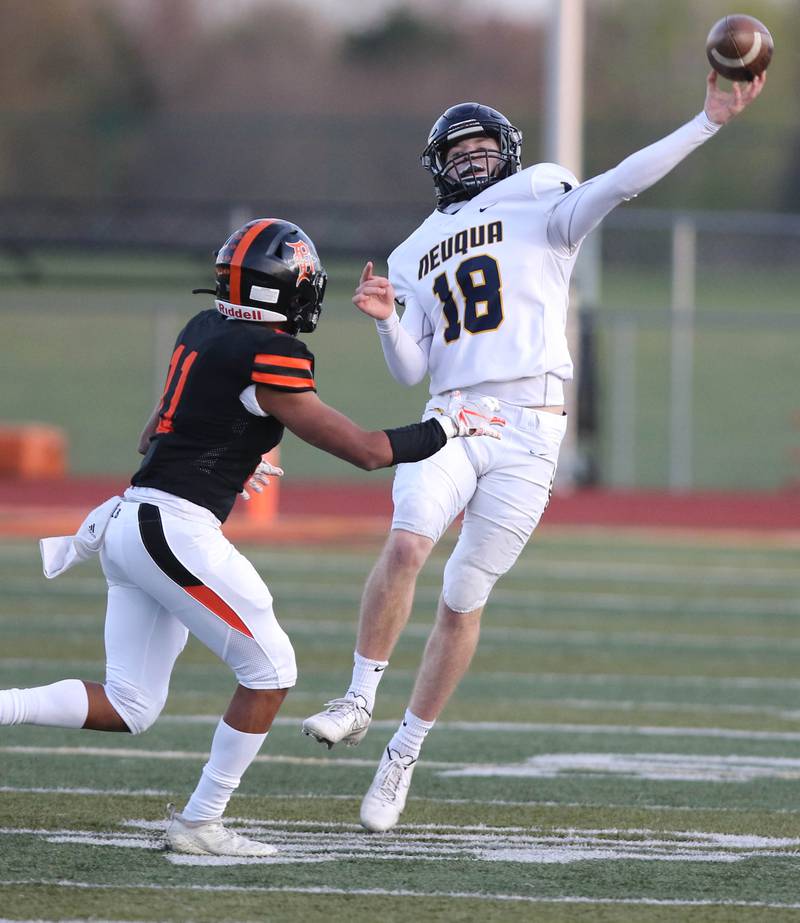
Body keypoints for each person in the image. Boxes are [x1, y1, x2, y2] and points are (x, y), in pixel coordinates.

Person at [302, 71, 766, 832]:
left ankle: (404, 752)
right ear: (437, 163)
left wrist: (706, 122)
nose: (476, 158)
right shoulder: (413, 248)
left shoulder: (541, 193)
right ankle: (358, 696)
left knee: (464, 595)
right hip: (451, 414)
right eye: (462, 149)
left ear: (511, 152)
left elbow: (618, 184)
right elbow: (411, 367)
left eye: (487, 145)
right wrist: (387, 320)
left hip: (531, 424)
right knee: (409, 541)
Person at [0, 218, 502, 857]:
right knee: (271, 670)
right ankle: (199, 822)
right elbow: (367, 451)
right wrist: (450, 429)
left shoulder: (204, 330)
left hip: (134, 521)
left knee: (130, 704)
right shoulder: (273, 352)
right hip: (171, 530)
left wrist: (234, 453)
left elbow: (157, 432)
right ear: (286, 288)